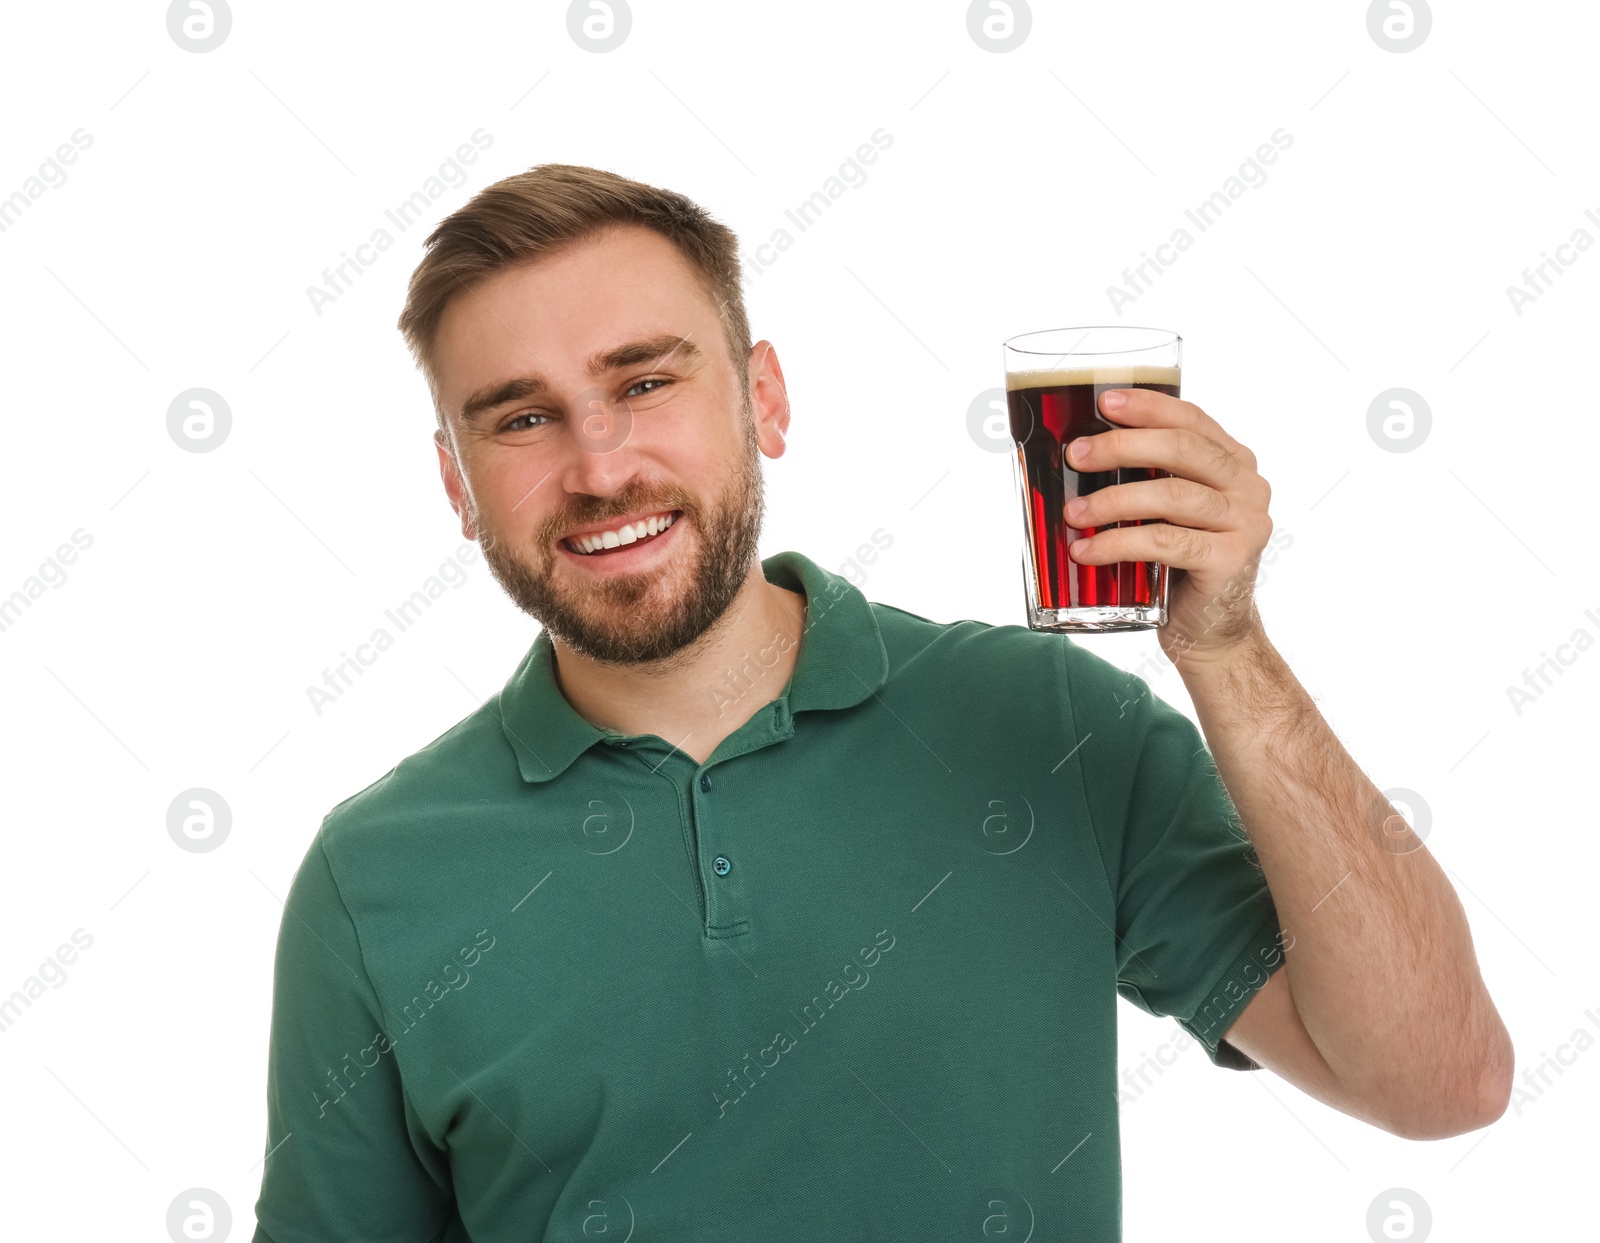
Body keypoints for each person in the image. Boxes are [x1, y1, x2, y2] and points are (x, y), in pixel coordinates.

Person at [251, 164, 1512, 1242]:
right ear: (456, 485)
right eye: (522, 418)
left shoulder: (1048, 725)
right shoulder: (376, 879)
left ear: (765, 399)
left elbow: (1438, 1080)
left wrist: (1227, 648)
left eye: (644, 382)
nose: (599, 465)